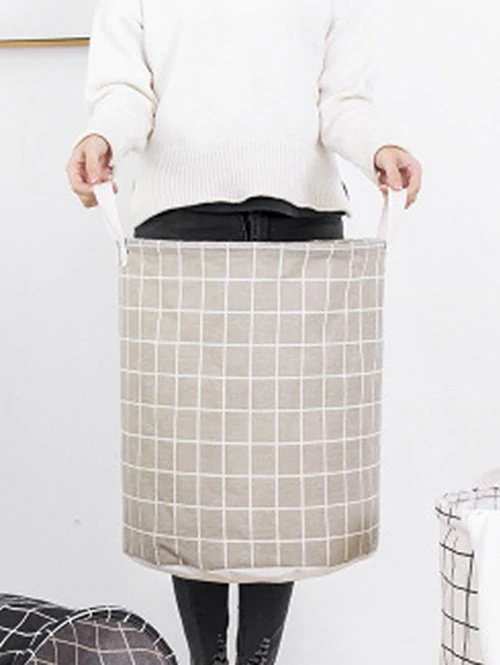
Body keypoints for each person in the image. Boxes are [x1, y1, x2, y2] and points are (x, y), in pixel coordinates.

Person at [66, 0, 422, 663]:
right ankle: (208, 657)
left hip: (302, 226)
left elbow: (342, 100)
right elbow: (124, 92)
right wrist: (103, 138)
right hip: (181, 227)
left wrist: (380, 146)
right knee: (192, 468)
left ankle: (258, 658)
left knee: (279, 472)